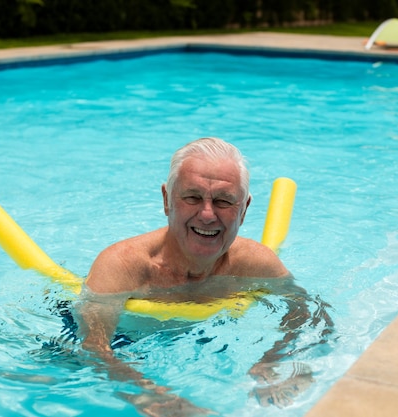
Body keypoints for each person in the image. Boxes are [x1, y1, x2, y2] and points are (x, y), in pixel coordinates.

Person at [80, 137, 327, 416]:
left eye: (223, 201)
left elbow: (310, 313)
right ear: (167, 199)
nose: (208, 214)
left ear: (244, 209)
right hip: (128, 341)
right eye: (193, 197)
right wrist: (154, 398)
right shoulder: (123, 266)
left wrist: (277, 360)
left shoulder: (254, 264)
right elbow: (91, 348)